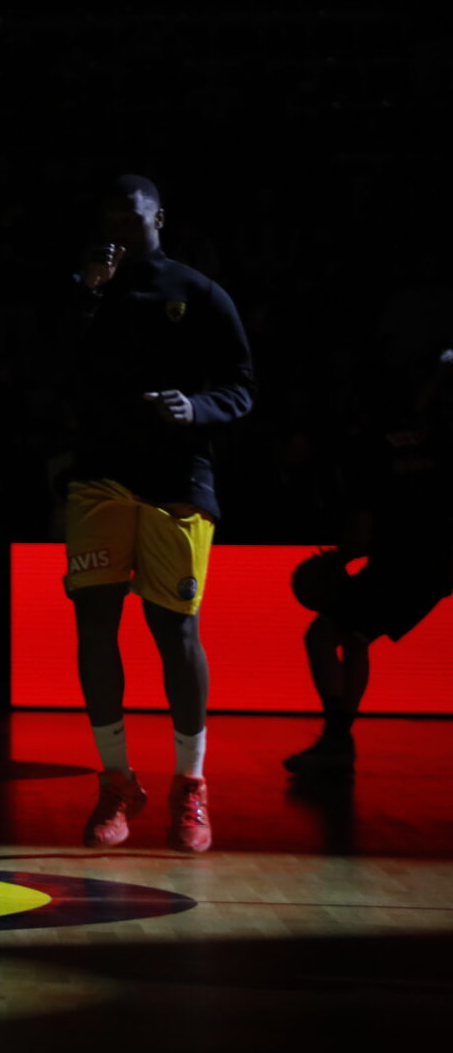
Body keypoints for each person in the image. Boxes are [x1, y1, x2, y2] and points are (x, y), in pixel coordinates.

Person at [64, 176, 254, 853]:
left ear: (160, 218)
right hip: (99, 478)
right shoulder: (89, 292)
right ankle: (116, 782)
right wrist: (86, 295)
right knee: (94, 627)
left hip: (179, 477)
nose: (121, 226)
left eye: (133, 216)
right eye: (110, 216)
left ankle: (190, 787)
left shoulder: (198, 293)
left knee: (175, 631)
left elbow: (240, 387)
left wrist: (196, 408)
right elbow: (58, 373)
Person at [284, 354, 453, 773]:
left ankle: (336, 739)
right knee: (355, 635)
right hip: (438, 562)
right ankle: (339, 739)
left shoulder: (364, 448)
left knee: (321, 636)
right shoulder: (431, 437)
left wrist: (332, 561)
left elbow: (360, 535)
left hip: (402, 565)